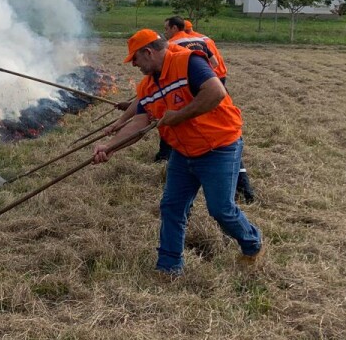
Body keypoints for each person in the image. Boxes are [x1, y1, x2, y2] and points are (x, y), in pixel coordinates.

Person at [95, 29, 263, 276]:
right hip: (183, 153)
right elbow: (140, 123)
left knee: (221, 210)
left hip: (219, 146)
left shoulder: (189, 62)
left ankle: (251, 244)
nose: (135, 65)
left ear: (148, 52)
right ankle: (169, 267)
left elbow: (216, 92)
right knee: (172, 206)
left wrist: (178, 116)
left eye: (136, 59)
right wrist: (109, 148)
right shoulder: (148, 86)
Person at [162, 16, 255, 203]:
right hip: (217, 84)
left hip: (197, 90)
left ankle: (172, 158)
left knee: (209, 135)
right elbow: (214, 64)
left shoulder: (172, 45)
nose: (165, 32)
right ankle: (244, 186)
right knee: (227, 134)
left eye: (166, 28)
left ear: (175, 28)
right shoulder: (204, 39)